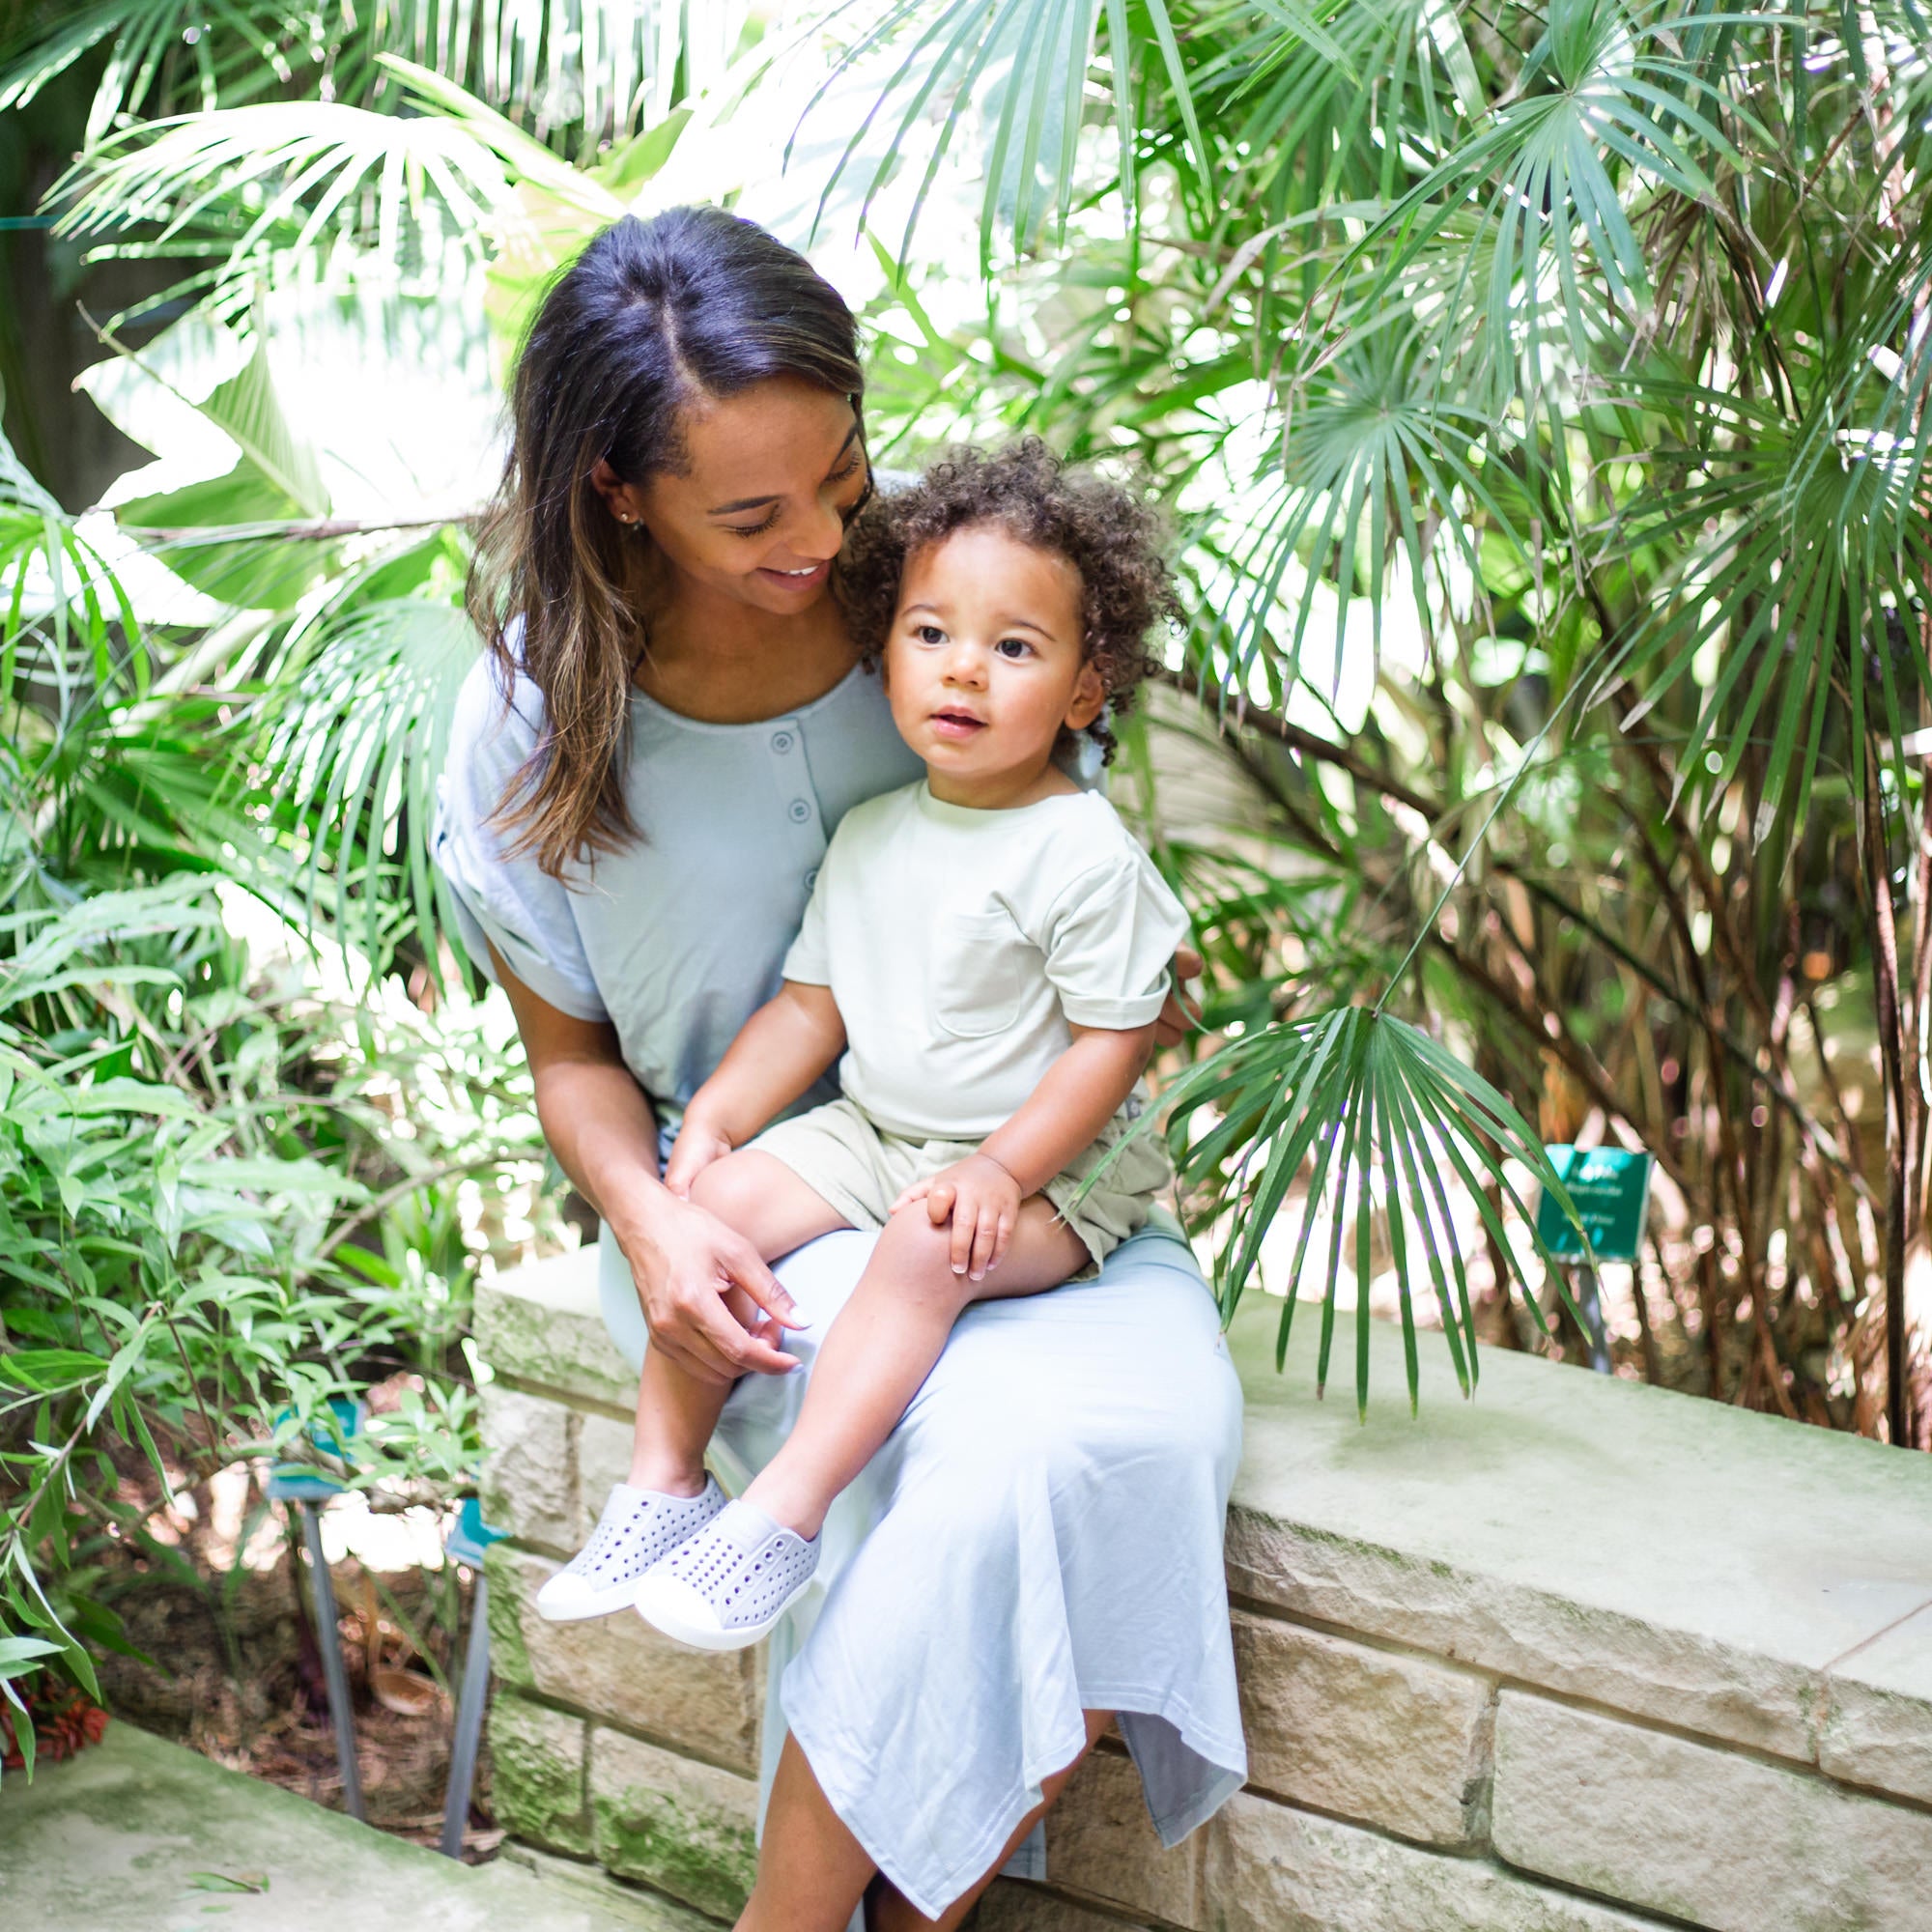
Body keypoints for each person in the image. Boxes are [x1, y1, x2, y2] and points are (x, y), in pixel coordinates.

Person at [434, 205, 1245, 1932]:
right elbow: (570, 1065)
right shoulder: (529, 721)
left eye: (845, 482)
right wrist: (660, 1215)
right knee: (967, 1474)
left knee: (1119, 1451)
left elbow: (1083, 925)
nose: (823, 541)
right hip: (729, 1210)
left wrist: (1060, 1114)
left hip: (1013, 1184)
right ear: (616, 488)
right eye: (754, 514)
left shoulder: (940, 612)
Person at [533, 441, 1189, 1650]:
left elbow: (1112, 1042)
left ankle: (781, 1519)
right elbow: (809, 1007)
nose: (962, 672)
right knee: (709, 1209)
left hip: (1051, 1169)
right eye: (930, 633)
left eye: (1013, 648)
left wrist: (998, 1170)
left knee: (920, 1250)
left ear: (1084, 691)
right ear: (883, 647)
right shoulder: (876, 828)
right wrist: (722, 1113)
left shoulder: (1081, 852)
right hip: (878, 1127)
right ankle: (662, 1483)